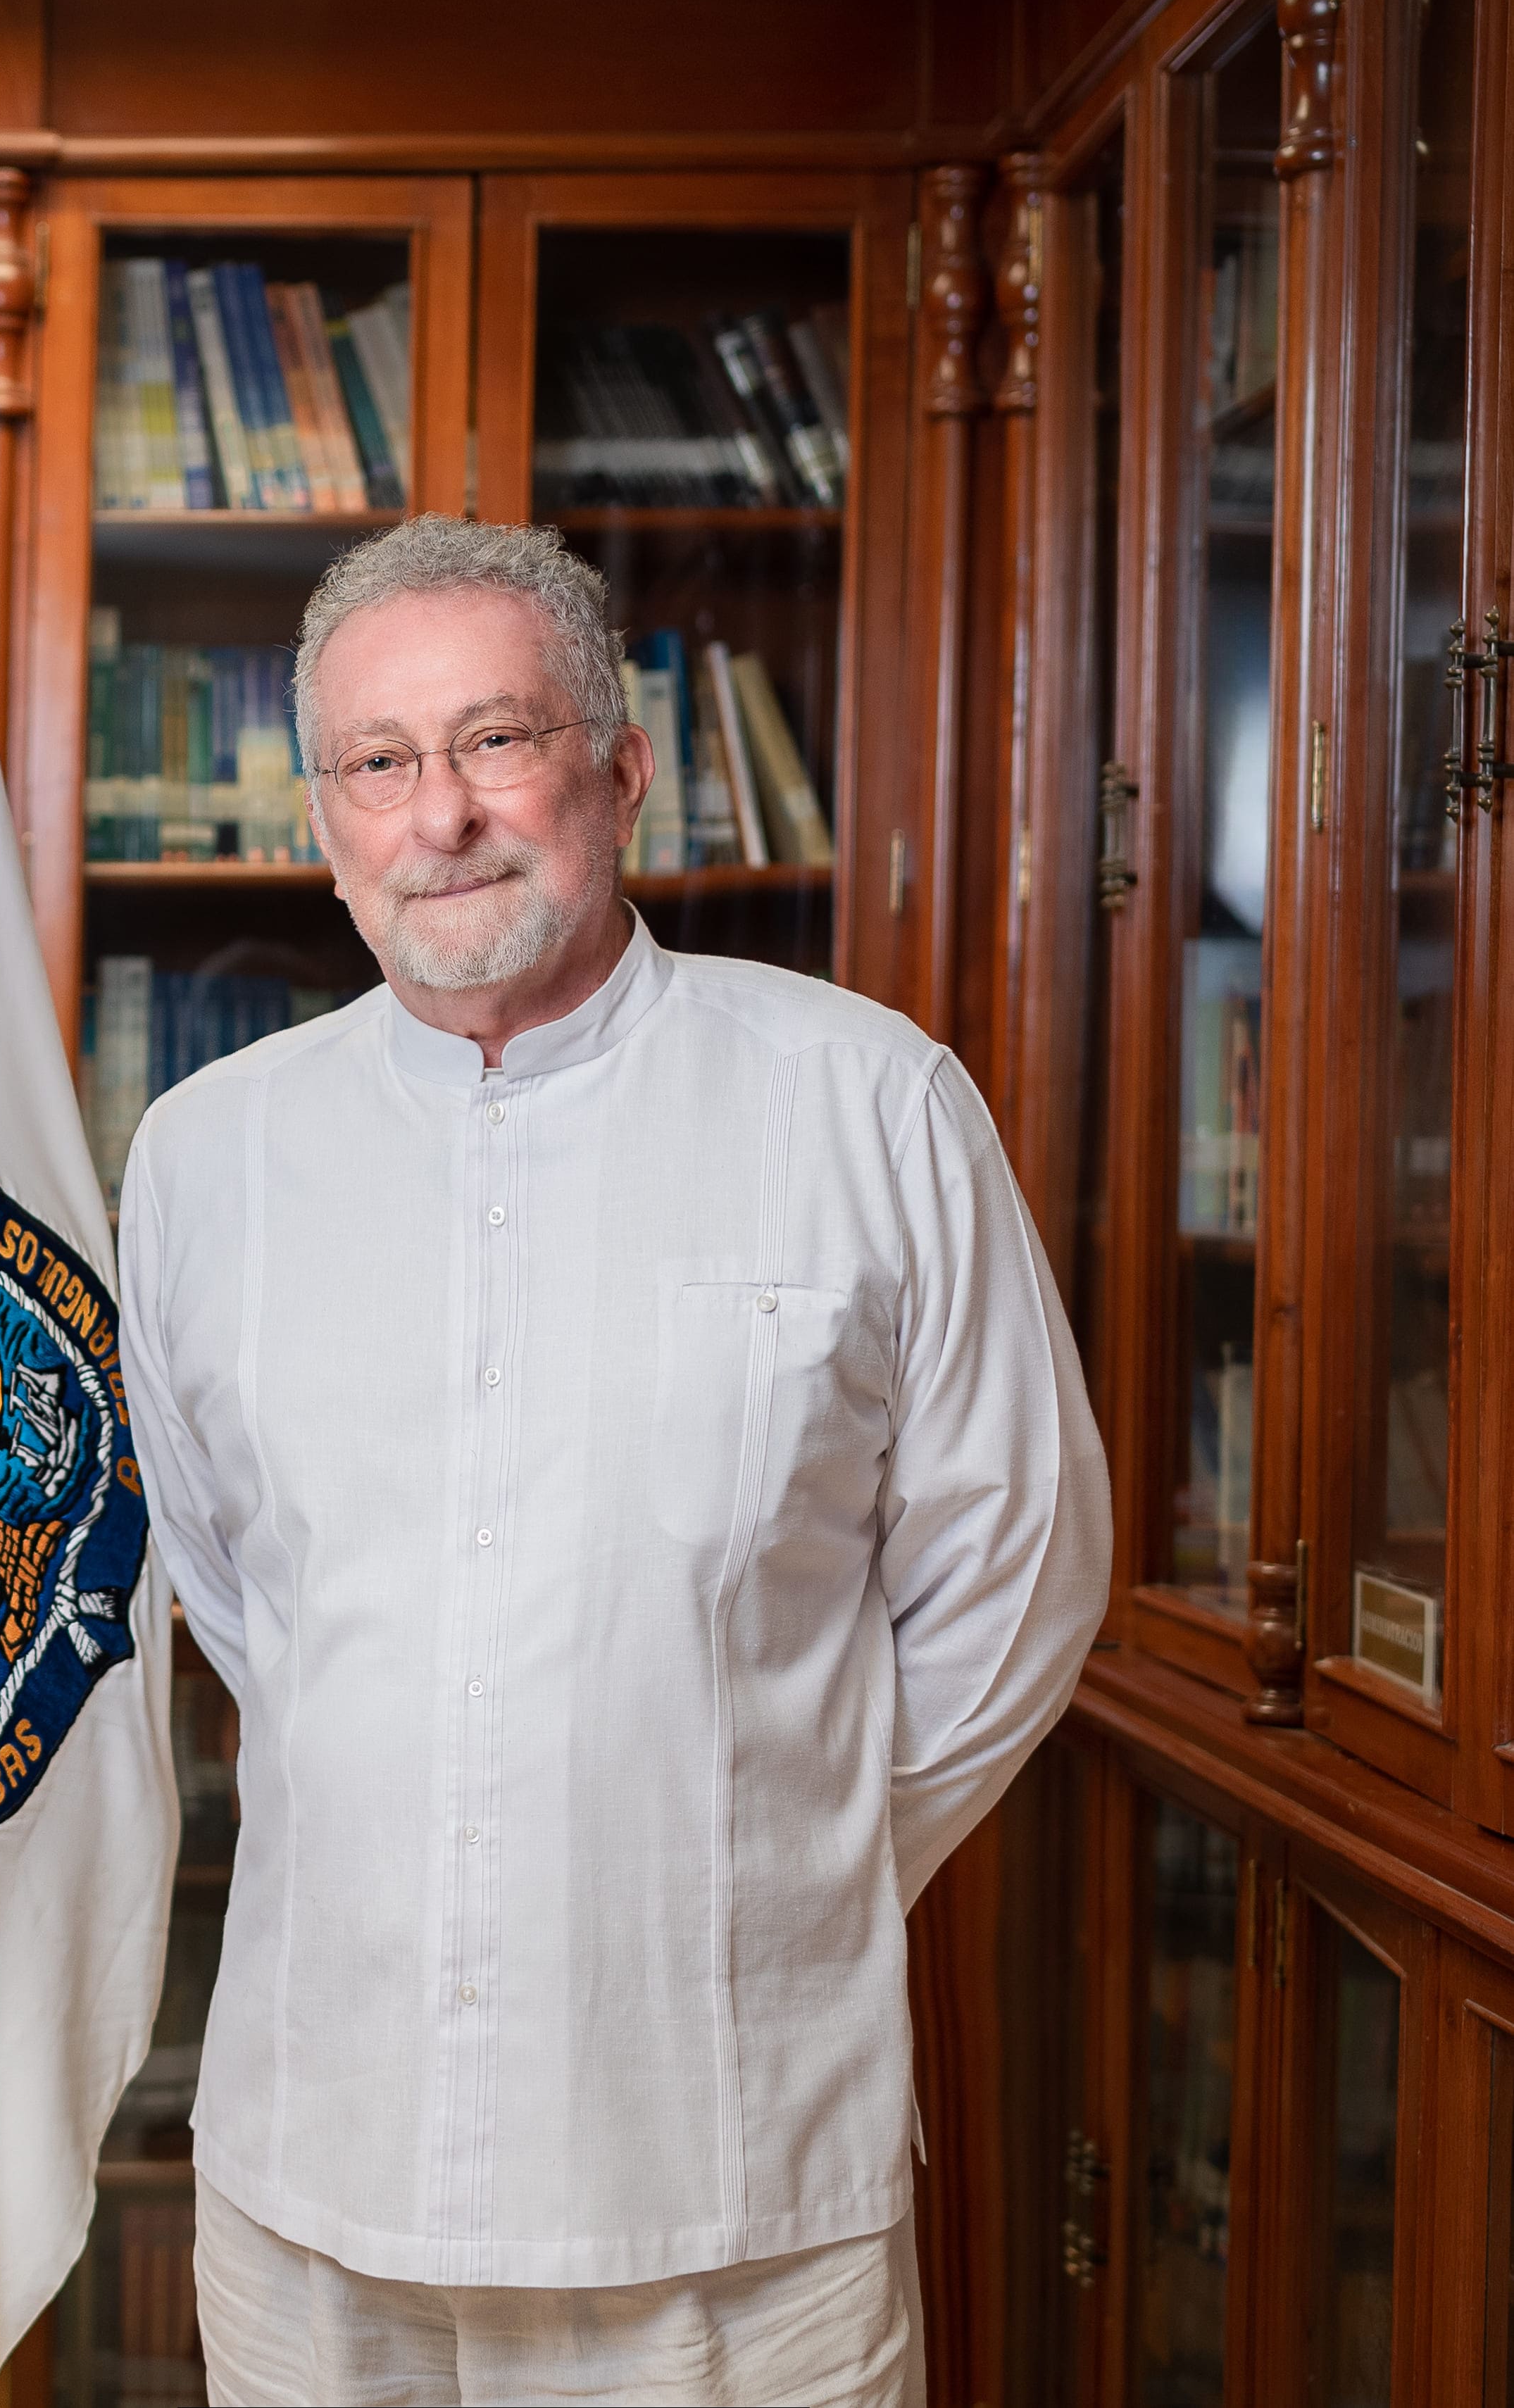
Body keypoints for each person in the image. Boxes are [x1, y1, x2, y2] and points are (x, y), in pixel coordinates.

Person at [114, 516, 1110, 2407]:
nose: (442, 818)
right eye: (379, 765)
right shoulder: (204, 1155)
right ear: (322, 812)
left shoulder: (864, 1103)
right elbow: (244, 1602)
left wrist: (752, 1864)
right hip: (314, 2174)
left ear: (617, 765)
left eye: (495, 743)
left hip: (735, 2198)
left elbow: (1017, 1576)